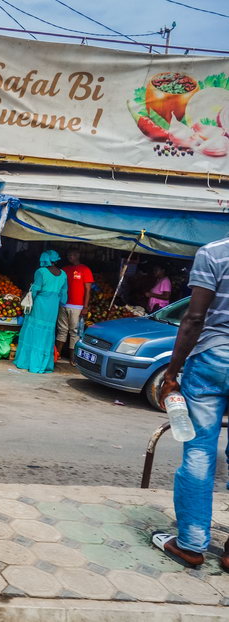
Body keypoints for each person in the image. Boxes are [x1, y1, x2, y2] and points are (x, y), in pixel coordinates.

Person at [153, 237, 229, 571]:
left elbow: (194, 318)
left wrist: (171, 373)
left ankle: (191, 544)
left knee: (199, 451)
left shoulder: (214, 253)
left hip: (212, 358)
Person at [14, 250, 67, 374]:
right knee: (46, 334)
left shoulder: (41, 272)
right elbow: (64, 296)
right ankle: (42, 364)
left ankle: (28, 362)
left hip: (40, 305)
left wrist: (26, 300)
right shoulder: (63, 274)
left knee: (33, 332)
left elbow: (35, 290)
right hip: (53, 307)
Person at [56, 249, 94, 360]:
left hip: (77, 306)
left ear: (78, 255)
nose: (70, 256)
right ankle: (57, 355)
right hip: (63, 304)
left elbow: (88, 290)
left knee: (74, 332)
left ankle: (73, 358)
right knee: (62, 330)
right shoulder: (64, 270)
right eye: (68, 254)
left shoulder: (85, 270)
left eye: (72, 254)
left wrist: (85, 307)